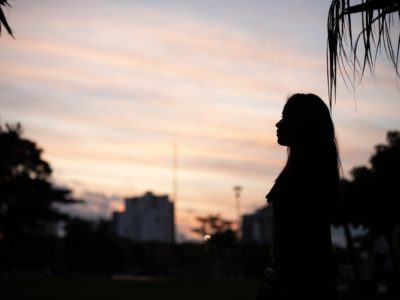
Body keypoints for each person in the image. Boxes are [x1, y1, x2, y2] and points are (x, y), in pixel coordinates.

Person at [256, 93, 341, 300]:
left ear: (303, 125)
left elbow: (297, 242)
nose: (278, 124)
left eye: (286, 118)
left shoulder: (304, 178)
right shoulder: (310, 173)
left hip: (297, 285)